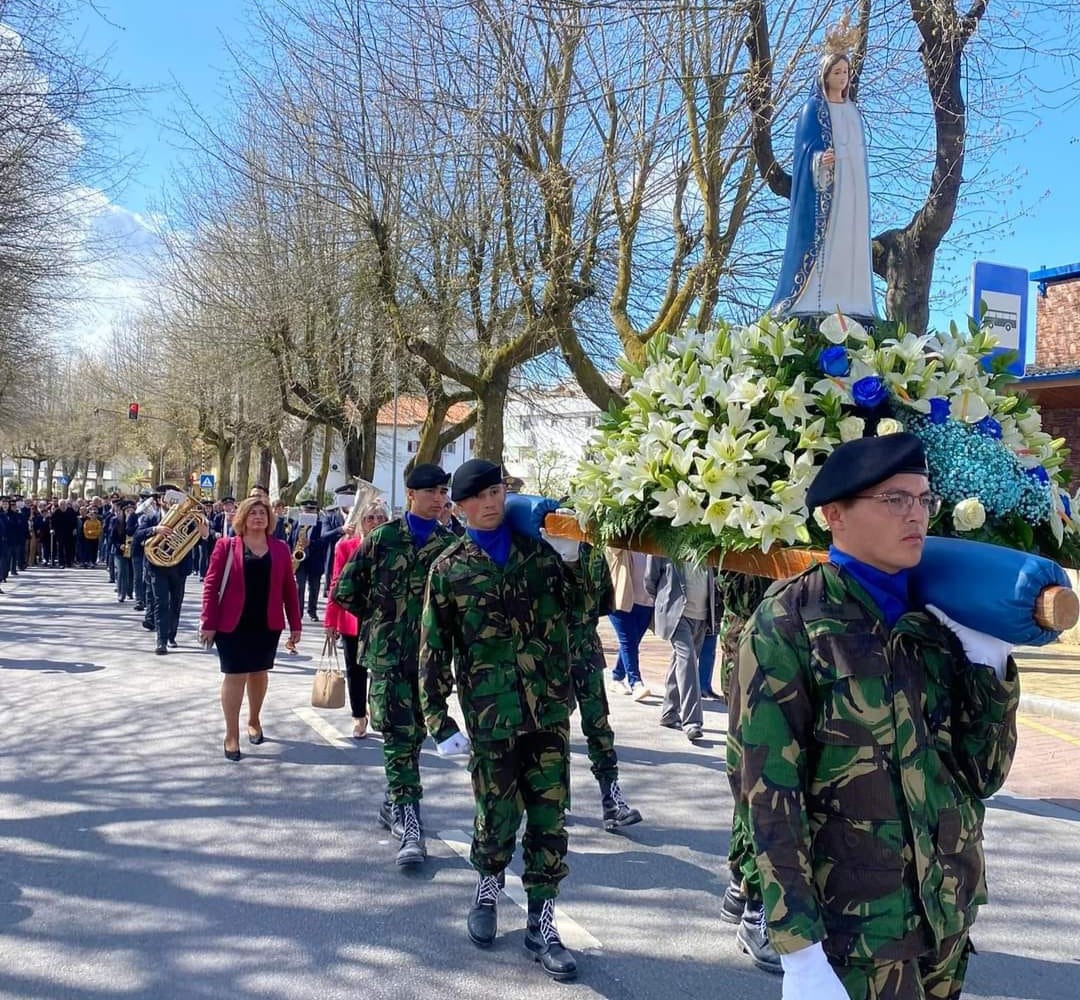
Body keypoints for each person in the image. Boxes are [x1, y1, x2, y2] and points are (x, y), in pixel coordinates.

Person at [729, 433, 1019, 1000]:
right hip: (852, 936)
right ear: (835, 515)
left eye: (923, 499)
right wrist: (801, 953)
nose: (916, 515)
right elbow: (768, 796)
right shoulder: (790, 623)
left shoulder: (939, 620)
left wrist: (991, 667)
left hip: (945, 918)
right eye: (895, 500)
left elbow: (983, 775)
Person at [419, 459, 580, 981]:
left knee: (550, 817)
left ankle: (543, 920)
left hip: (548, 710)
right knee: (496, 812)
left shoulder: (539, 554)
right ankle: (488, 888)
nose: (492, 502)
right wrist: (437, 719)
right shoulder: (449, 569)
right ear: (459, 507)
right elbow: (433, 649)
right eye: (481, 496)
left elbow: (582, 607)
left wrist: (574, 549)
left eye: (499, 491)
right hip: (491, 715)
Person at [331, 463, 456, 868]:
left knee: (416, 735)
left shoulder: (450, 545)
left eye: (443, 491)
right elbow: (345, 590)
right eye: (431, 491)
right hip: (387, 658)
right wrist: (382, 618)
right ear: (411, 494)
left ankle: (393, 799)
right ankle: (410, 820)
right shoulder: (382, 539)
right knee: (398, 737)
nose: (439, 498)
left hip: (429, 660)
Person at [770, 37, 876, 320]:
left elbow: (857, 154)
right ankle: (814, 298)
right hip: (825, 191)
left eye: (846, 72)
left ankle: (852, 301)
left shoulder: (853, 113)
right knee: (826, 242)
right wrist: (819, 160)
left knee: (849, 241)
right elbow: (803, 153)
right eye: (837, 73)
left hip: (851, 189)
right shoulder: (812, 110)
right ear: (825, 76)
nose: (843, 78)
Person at [200, 496, 302, 761]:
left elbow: (289, 589)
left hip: (266, 623)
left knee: (259, 672)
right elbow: (211, 587)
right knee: (235, 675)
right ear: (242, 518)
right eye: (253, 513)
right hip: (232, 623)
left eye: (263, 513)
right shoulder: (226, 545)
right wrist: (208, 623)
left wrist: (296, 624)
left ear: (269, 519)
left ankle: (254, 719)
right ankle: (231, 734)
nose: (258, 517)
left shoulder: (280, 548)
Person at [568, 543, 642, 832]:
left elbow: (602, 601)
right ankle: (552, 799)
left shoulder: (593, 553)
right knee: (552, 730)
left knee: (599, 727)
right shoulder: (540, 548)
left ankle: (612, 799)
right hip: (547, 654)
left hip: (586, 651)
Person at [325, 499, 389, 739]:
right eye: (370, 518)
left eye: (380, 517)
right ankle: (359, 716)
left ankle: (378, 710)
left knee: (382, 668)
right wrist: (330, 621)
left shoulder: (394, 547)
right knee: (356, 669)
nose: (375, 522)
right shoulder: (346, 547)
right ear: (361, 521)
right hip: (352, 617)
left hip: (384, 619)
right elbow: (335, 584)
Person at [645, 556, 714, 741]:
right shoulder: (666, 539)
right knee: (688, 661)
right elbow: (650, 580)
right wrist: (664, 603)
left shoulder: (706, 539)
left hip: (702, 615)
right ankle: (692, 722)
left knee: (682, 662)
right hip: (677, 615)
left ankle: (669, 713)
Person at [136, 486, 210, 655]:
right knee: (160, 603)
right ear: (160, 500)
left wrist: (204, 533)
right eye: (166, 497)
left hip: (179, 567)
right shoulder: (150, 517)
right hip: (157, 567)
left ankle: (171, 635)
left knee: (176, 603)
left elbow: (200, 541)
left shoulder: (189, 519)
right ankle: (161, 641)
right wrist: (155, 530)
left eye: (175, 498)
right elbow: (137, 536)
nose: (170, 501)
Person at [606, 549, 654, 700]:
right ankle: (636, 683)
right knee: (628, 642)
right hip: (621, 601)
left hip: (646, 603)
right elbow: (612, 547)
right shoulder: (621, 542)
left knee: (632, 642)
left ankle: (617, 677)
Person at [290, 500, 326, 621]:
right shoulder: (296, 524)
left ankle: (312, 612)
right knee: (300, 587)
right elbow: (291, 540)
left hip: (315, 561)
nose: (309, 513)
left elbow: (324, 541)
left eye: (312, 510)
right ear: (301, 511)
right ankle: (298, 613)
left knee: (314, 588)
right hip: (299, 560)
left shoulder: (321, 525)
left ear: (316, 512)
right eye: (306, 510)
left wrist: (311, 543)